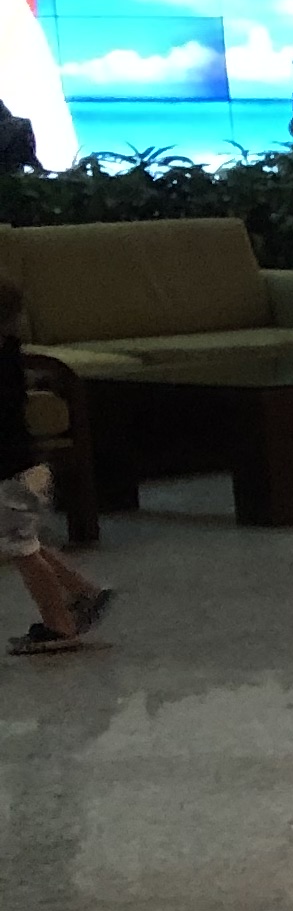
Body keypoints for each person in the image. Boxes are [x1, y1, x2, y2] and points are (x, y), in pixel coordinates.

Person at [0, 271, 110, 657]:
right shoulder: (10, 355)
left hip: (9, 476)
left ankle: (59, 624)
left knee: (23, 552)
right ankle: (83, 590)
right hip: (27, 471)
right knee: (24, 542)